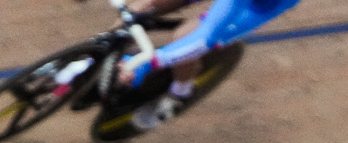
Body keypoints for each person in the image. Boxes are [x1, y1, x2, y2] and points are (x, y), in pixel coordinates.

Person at [103, 0, 299, 133]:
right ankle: (107, 48)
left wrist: (146, 63)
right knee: (139, 8)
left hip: (251, 7)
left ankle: (180, 92)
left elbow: (204, 38)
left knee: (185, 38)